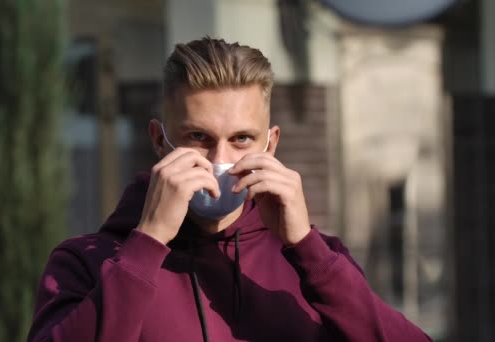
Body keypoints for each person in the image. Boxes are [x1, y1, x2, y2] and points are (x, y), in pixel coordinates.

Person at [27, 37, 431, 342]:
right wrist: (147, 245)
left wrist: (307, 248)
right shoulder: (85, 263)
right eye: (199, 136)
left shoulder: (318, 263)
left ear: (270, 145)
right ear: (158, 139)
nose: (219, 159)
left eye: (241, 139)